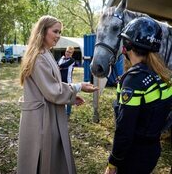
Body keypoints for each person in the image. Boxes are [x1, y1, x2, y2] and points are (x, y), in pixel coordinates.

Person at [17, 15, 98, 174]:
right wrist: (78, 87)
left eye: (60, 32)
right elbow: (52, 90)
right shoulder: (39, 57)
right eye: (55, 31)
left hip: (46, 113)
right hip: (41, 118)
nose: (58, 36)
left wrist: (72, 96)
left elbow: (51, 85)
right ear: (42, 31)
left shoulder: (45, 53)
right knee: (42, 159)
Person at [105, 17, 172, 174]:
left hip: (133, 157)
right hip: (152, 151)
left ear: (127, 45)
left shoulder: (134, 79)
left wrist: (113, 162)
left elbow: (124, 129)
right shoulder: (163, 77)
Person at [58, 46, 75, 117]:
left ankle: (68, 113)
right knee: (60, 96)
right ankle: (61, 112)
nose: (68, 53)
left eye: (70, 52)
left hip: (68, 81)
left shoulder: (72, 60)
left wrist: (60, 67)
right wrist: (59, 66)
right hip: (59, 80)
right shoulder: (61, 58)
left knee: (68, 97)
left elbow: (63, 65)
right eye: (67, 51)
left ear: (72, 54)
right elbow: (57, 65)